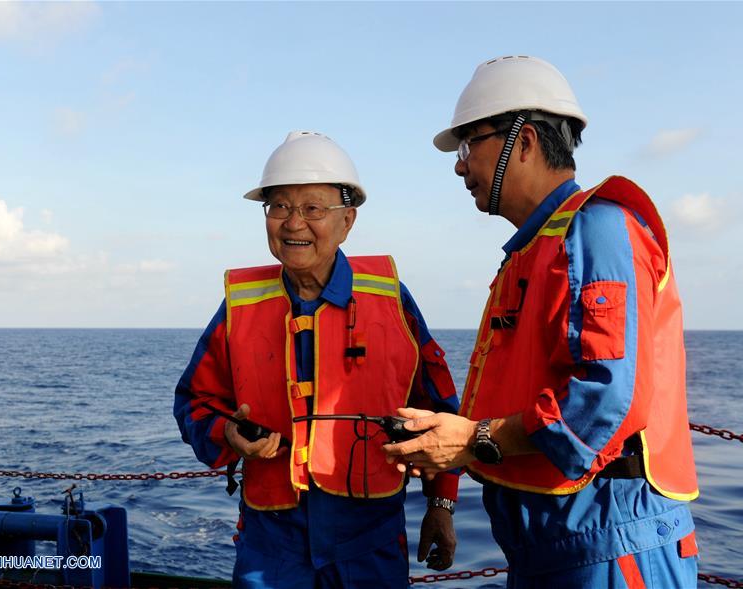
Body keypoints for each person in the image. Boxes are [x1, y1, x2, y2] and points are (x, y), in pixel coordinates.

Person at [384, 56, 700, 588]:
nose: (460, 167)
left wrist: (474, 438)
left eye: (468, 147)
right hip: (547, 547)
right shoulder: (534, 249)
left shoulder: (598, 230)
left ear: (523, 142)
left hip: (609, 546)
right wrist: (450, 467)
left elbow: (607, 402)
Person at [174, 130, 460, 589]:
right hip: (271, 549)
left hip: (371, 543)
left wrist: (442, 506)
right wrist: (226, 432)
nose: (293, 224)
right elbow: (193, 402)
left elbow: (441, 410)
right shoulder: (239, 307)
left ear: (348, 220)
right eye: (279, 207)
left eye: (312, 209)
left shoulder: (391, 302)